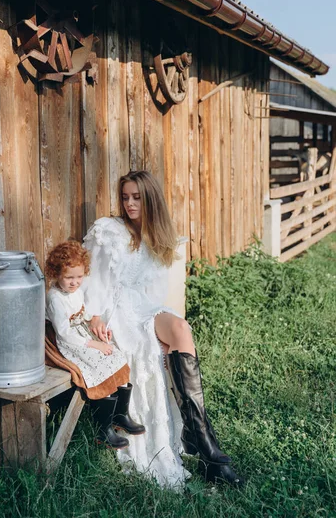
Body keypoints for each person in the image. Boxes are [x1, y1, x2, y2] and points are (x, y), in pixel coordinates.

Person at [83, 170, 242, 488]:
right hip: (116, 312)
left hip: (146, 308)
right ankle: (208, 453)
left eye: (137, 197)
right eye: (125, 197)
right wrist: (95, 317)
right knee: (161, 339)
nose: (129, 204)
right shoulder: (110, 231)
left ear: (151, 199)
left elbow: (155, 294)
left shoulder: (159, 237)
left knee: (181, 329)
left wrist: (159, 325)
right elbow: (94, 280)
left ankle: (201, 439)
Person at [45, 240, 145, 449]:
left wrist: (95, 324)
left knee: (116, 356)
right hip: (67, 342)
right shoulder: (55, 298)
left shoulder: (76, 291)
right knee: (99, 366)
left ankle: (120, 414)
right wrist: (94, 344)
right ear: (56, 274)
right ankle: (103, 429)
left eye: (79, 277)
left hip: (82, 332)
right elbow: (64, 334)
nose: (74, 282)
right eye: (68, 278)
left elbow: (83, 313)